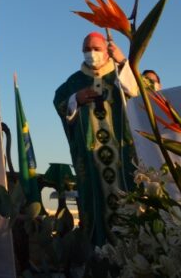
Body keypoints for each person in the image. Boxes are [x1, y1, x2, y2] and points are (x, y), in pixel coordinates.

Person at [53, 32, 138, 248]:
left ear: (108, 51)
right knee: (96, 206)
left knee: (132, 206)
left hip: (123, 155)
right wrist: (75, 99)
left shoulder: (120, 73)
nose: (91, 53)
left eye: (96, 49)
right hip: (92, 160)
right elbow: (59, 102)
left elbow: (140, 92)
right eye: (87, 49)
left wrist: (123, 62)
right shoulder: (74, 81)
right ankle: (100, 254)